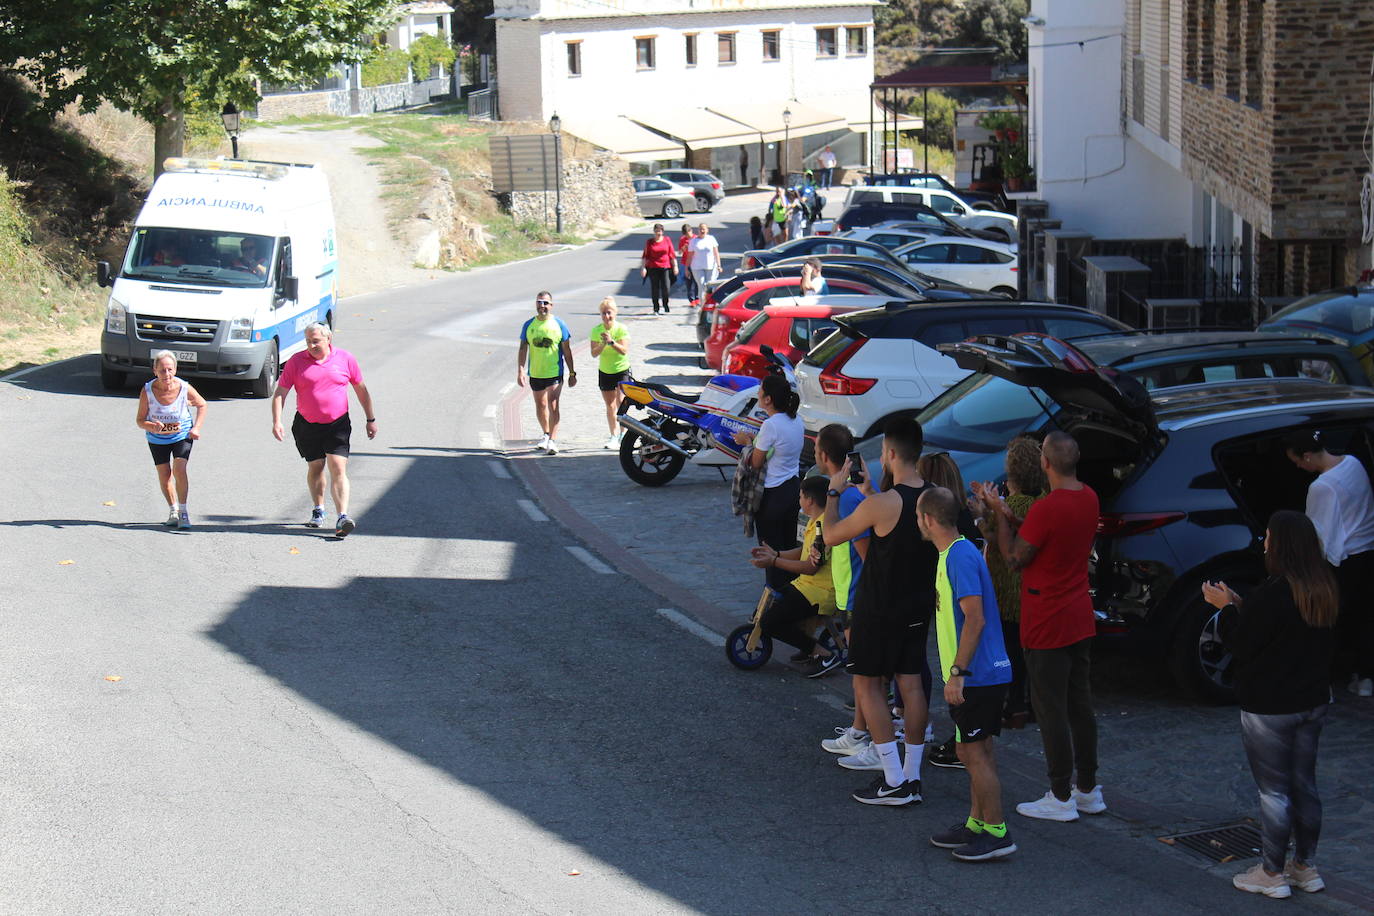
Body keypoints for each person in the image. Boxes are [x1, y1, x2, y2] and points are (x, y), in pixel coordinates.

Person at [1202, 510, 1338, 899]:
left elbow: (1243, 644)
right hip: (1311, 699)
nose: (1263, 544)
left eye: (1268, 538)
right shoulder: (1322, 585)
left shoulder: (1275, 592)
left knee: (1274, 792)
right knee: (1305, 786)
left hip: (1270, 707)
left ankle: (1271, 872)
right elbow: (1280, 629)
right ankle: (1305, 867)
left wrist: (1224, 608)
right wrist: (1242, 605)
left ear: (1281, 546)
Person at [982, 430, 1105, 821]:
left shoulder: (1048, 509)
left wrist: (1001, 515)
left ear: (1045, 463)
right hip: (1078, 615)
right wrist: (1016, 516)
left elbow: (1013, 557)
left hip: (1046, 618)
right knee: (1079, 705)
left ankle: (1059, 794)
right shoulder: (1088, 497)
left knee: (1050, 708)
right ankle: (1087, 788)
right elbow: (1048, 535)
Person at [822, 417, 936, 807]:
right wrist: (870, 490)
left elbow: (832, 534)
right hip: (919, 604)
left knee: (869, 685)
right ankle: (913, 776)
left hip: (878, 608)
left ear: (888, 454)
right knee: (911, 684)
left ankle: (892, 778)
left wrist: (835, 493)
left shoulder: (881, 505)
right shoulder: (936, 498)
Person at [918, 486, 1016, 861]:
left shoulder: (958, 557)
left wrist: (958, 673)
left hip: (978, 675)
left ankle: (997, 831)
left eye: (918, 518)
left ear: (928, 519)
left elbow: (975, 618)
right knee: (972, 750)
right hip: (977, 674)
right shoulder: (954, 553)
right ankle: (977, 823)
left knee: (974, 753)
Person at [1284, 430, 1374, 697]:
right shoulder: (1353, 463)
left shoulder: (1321, 487)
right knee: (1364, 616)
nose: (1298, 467)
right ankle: (1366, 676)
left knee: (1327, 620)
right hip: (1368, 549)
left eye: (1297, 461)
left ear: (1308, 456)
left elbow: (1317, 532)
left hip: (1343, 560)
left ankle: (1322, 682)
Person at [271, 322, 377, 538]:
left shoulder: (345, 359)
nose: (311, 345)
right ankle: (318, 509)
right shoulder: (296, 361)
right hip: (306, 424)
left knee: (338, 467)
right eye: (308, 341)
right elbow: (281, 391)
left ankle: (342, 517)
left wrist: (370, 419)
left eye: (316, 341)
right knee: (316, 467)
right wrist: (277, 421)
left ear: (328, 339)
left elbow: (361, 390)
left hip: (337, 424)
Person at [815, 424, 880, 759]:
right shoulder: (850, 491)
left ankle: (862, 733)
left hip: (859, 597)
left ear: (824, 456)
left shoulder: (850, 496)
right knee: (860, 668)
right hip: (849, 593)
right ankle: (859, 728)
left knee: (864, 670)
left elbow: (867, 550)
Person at [976, 436, 1047, 729]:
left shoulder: (1010, 506)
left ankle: (1013, 705)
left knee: (1009, 652)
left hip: (1006, 592)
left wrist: (982, 514)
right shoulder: (1044, 502)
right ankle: (1032, 705)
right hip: (1033, 592)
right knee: (1030, 654)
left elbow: (992, 536)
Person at [750, 476, 843, 678]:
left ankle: (824, 655)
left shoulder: (822, 527)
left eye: (800, 496)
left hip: (820, 592)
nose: (799, 500)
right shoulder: (815, 520)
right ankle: (807, 646)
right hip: (807, 586)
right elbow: (804, 551)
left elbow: (810, 567)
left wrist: (774, 562)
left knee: (770, 622)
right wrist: (776, 554)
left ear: (809, 500)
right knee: (772, 601)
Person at [733, 374, 804, 593]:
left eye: (761, 391)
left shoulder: (770, 426)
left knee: (771, 555)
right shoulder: (796, 420)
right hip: (793, 490)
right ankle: (792, 598)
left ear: (768, 400)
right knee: (790, 551)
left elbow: (755, 462)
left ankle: (774, 602)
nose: (757, 394)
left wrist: (746, 443)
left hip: (772, 496)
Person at [136, 351, 208, 530]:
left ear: (175, 370)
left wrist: (196, 427)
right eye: (162, 371)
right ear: (155, 371)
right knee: (164, 474)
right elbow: (139, 420)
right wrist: (152, 426)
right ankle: (173, 510)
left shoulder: (184, 388)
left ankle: (183, 512)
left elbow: (202, 404)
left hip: (181, 434)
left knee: (179, 468)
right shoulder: (147, 391)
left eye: (169, 370)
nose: (166, 375)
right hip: (157, 438)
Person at [516, 291, 577, 455]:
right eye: (539, 302)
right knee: (541, 405)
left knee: (553, 403)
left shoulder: (559, 324)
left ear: (551, 305)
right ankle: (546, 433)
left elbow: (567, 350)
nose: (542, 306)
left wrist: (572, 373)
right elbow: (523, 348)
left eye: (545, 303)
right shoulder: (529, 325)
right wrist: (521, 369)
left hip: (554, 372)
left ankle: (552, 440)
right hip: (536, 372)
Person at [589, 297, 630, 450]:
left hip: (621, 369)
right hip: (605, 371)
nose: (607, 317)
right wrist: (602, 343)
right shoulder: (596, 330)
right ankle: (613, 435)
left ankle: (623, 433)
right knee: (610, 405)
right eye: (604, 314)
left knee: (621, 401)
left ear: (615, 313)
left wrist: (612, 342)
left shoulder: (621, 329)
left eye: (609, 313)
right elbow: (594, 353)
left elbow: (624, 351)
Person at [640, 223, 677, 315]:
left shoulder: (667, 240)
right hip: (653, 267)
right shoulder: (649, 242)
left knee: (666, 288)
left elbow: (672, 254)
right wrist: (643, 268)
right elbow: (645, 256)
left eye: (660, 231)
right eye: (656, 231)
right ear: (654, 232)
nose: (658, 233)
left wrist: (675, 266)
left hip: (665, 267)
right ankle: (656, 307)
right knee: (655, 289)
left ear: (662, 232)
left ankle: (665, 304)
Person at [688, 223, 722, 294]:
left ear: (707, 230)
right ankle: (702, 303)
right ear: (698, 230)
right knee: (701, 285)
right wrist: (686, 268)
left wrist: (719, 265)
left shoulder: (711, 239)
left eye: (704, 229)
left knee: (710, 286)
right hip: (697, 267)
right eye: (700, 229)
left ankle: (711, 303)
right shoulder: (693, 241)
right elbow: (690, 255)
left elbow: (716, 253)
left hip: (710, 266)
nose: (702, 230)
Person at [677, 223, 698, 306]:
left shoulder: (696, 238)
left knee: (697, 281)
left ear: (691, 231)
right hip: (686, 263)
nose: (687, 236)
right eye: (686, 234)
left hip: (696, 262)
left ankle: (697, 298)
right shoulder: (682, 239)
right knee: (688, 282)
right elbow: (679, 252)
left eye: (688, 233)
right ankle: (691, 299)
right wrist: (683, 248)